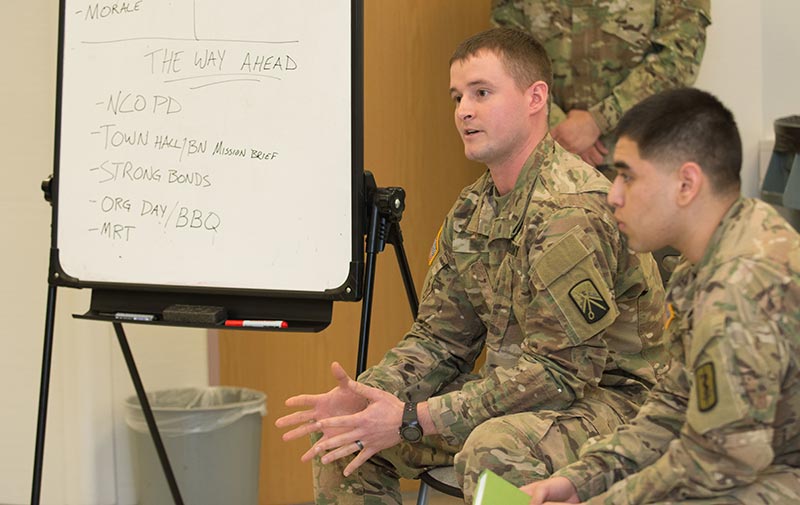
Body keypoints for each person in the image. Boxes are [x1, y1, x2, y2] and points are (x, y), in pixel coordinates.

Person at [275, 27, 666, 504]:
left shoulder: (569, 212)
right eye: (458, 96)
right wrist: (373, 395)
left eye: (482, 92)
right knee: (342, 436)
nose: (463, 110)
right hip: (517, 396)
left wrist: (415, 418)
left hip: (614, 402)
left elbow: (562, 374)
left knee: (496, 450)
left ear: (534, 98)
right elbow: (440, 338)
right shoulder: (472, 208)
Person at [523, 88, 800, 505]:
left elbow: (718, 462)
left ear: (687, 184)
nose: (613, 194)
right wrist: (580, 481)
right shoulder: (709, 257)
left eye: (628, 176)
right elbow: (673, 406)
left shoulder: (739, 287)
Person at [491, 0, 710, 167]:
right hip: (542, 155)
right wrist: (555, 124)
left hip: (642, 159)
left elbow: (680, 58)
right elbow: (508, 50)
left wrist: (599, 120)